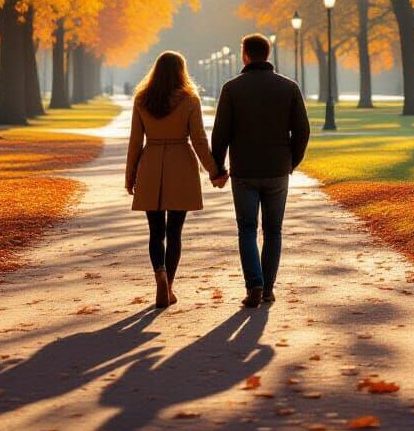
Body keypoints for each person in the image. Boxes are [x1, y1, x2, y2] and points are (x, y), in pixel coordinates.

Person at [212, 33, 310, 308]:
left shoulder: (232, 88)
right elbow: (302, 130)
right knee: (273, 229)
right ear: (268, 54)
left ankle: (254, 284)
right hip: (278, 168)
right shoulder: (289, 87)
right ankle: (267, 288)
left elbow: (221, 134)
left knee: (246, 228)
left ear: (245, 55)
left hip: (244, 170)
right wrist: (291, 161)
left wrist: (217, 167)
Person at [126, 51, 228, 308]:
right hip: (181, 163)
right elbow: (200, 140)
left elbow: (135, 143)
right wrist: (214, 171)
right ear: (182, 71)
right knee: (175, 232)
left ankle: (159, 272)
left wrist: (130, 176)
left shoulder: (142, 99)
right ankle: (168, 285)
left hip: (150, 164)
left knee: (155, 232)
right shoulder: (189, 100)